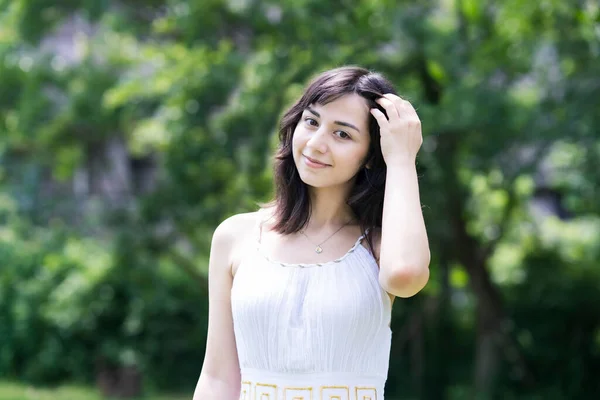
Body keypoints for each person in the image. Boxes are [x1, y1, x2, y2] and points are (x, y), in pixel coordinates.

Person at [193, 66, 431, 400]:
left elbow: (406, 275)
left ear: (370, 156)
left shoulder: (378, 246)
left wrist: (402, 158)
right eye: (312, 121)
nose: (316, 144)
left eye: (343, 134)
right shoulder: (236, 237)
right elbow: (218, 378)